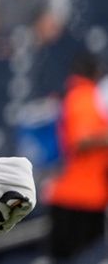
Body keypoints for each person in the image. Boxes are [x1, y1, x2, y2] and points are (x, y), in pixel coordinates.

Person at [45, 51, 108, 263]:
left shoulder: (75, 95)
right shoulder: (84, 96)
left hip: (76, 195)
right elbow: (82, 139)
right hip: (81, 198)